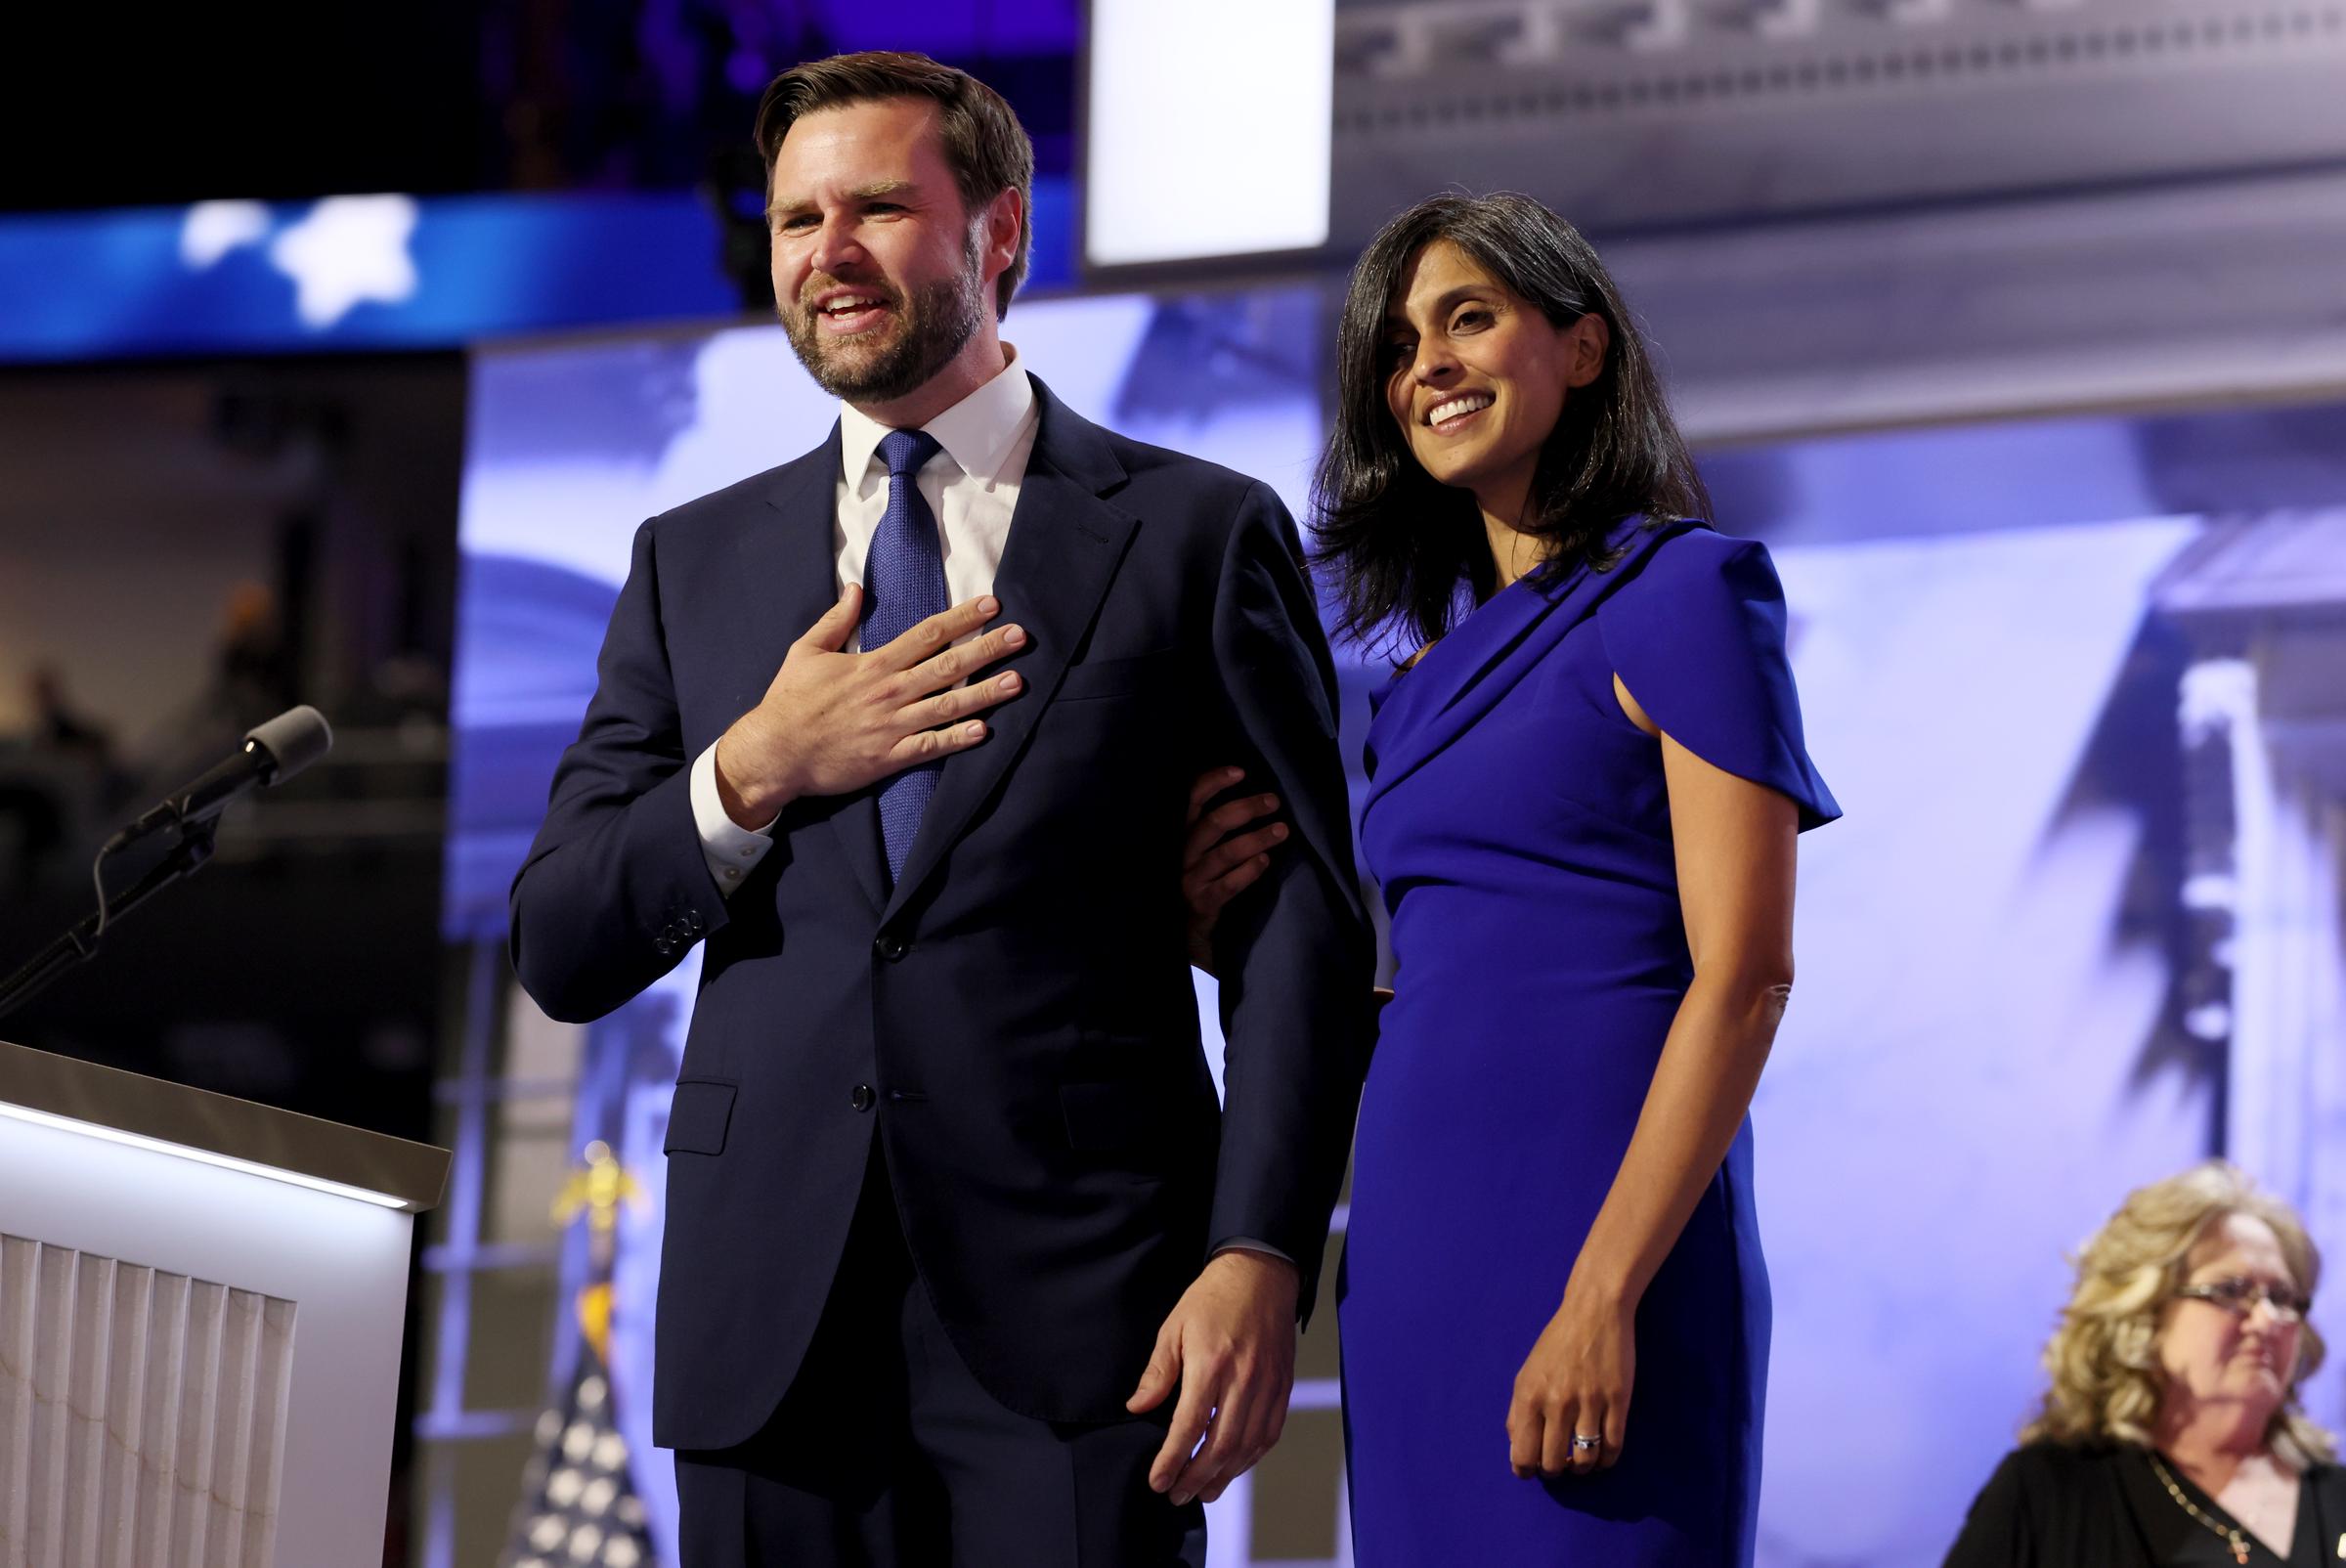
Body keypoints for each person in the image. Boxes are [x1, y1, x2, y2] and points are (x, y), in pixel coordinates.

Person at [508, 52, 1373, 1568]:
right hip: (765, 1324)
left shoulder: (1193, 531)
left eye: (879, 208)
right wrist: (756, 768)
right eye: (795, 220)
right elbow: (564, 941)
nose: (827, 254)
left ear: (1002, 234)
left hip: (1087, 1317)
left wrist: (1260, 1253)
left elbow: (1298, 932)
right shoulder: (687, 562)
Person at [1200, 190, 1842, 1564]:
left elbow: (1745, 978)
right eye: (1400, 342)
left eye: (1470, 318)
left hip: (1608, 1255)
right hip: (1413, 1266)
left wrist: (1605, 1291)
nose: (1425, 362)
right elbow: (1427, 991)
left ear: (1585, 348)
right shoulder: (1417, 691)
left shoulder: (1688, 593)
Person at [1944, 1162, 2346, 1566]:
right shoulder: (2046, 1494)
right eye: (2231, 1290)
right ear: (2145, 1312)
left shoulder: (2336, 1497)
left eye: (2281, 1297)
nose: (2267, 1319)